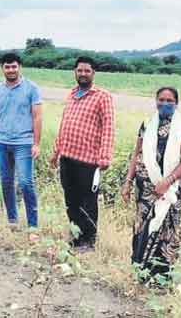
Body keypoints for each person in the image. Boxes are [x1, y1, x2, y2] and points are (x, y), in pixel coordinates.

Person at [122, 87, 181, 278]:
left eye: (170, 100)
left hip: (169, 189)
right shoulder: (147, 124)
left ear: (176, 103)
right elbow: (136, 153)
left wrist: (167, 181)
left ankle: (160, 279)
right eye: (161, 99)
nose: (165, 103)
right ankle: (140, 273)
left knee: (165, 230)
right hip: (145, 189)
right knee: (142, 227)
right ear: (155, 101)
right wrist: (128, 181)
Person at [50, 56, 115, 251]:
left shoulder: (102, 96)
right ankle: (76, 236)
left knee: (88, 201)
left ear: (93, 73)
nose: (83, 74)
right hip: (67, 157)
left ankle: (88, 241)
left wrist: (105, 156)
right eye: (80, 71)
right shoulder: (72, 94)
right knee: (71, 200)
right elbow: (64, 125)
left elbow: (109, 127)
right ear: (75, 72)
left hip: (89, 160)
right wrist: (56, 152)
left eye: (87, 71)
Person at [0, 53, 42, 228]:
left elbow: (37, 117)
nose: (11, 70)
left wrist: (36, 143)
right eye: (7, 67)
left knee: (25, 183)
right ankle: (12, 220)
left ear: (19, 67)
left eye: (14, 66)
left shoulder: (32, 88)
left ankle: (33, 225)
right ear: (2, 69)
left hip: (23, 143)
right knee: (6, 182)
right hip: (2, 143)